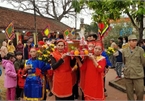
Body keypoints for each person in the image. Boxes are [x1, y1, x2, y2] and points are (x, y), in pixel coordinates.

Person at [122, 34, 145, 101]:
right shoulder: (124, 51)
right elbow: (124, 61)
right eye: (133, 41)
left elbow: (143, 62)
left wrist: (137, 68)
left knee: (140, 91)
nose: (135, 42)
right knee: (129, 93)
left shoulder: (141, 50)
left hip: (138, 74)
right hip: (128, 74)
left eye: (136, 40)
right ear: (129, 42)